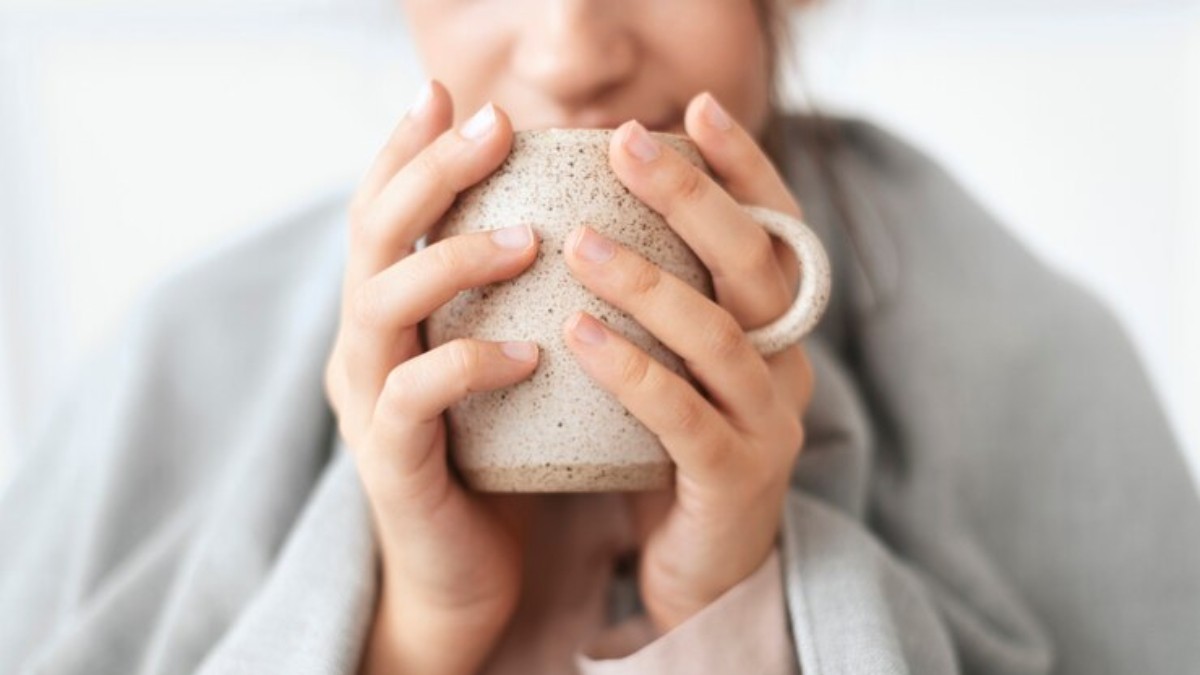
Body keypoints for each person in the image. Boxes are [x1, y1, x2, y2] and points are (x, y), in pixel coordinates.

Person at [1, 0, 1197, 673]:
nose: (572, 51)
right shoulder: (177, 363)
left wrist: (730, 604)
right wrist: (413, 624)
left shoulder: (1026, 353)